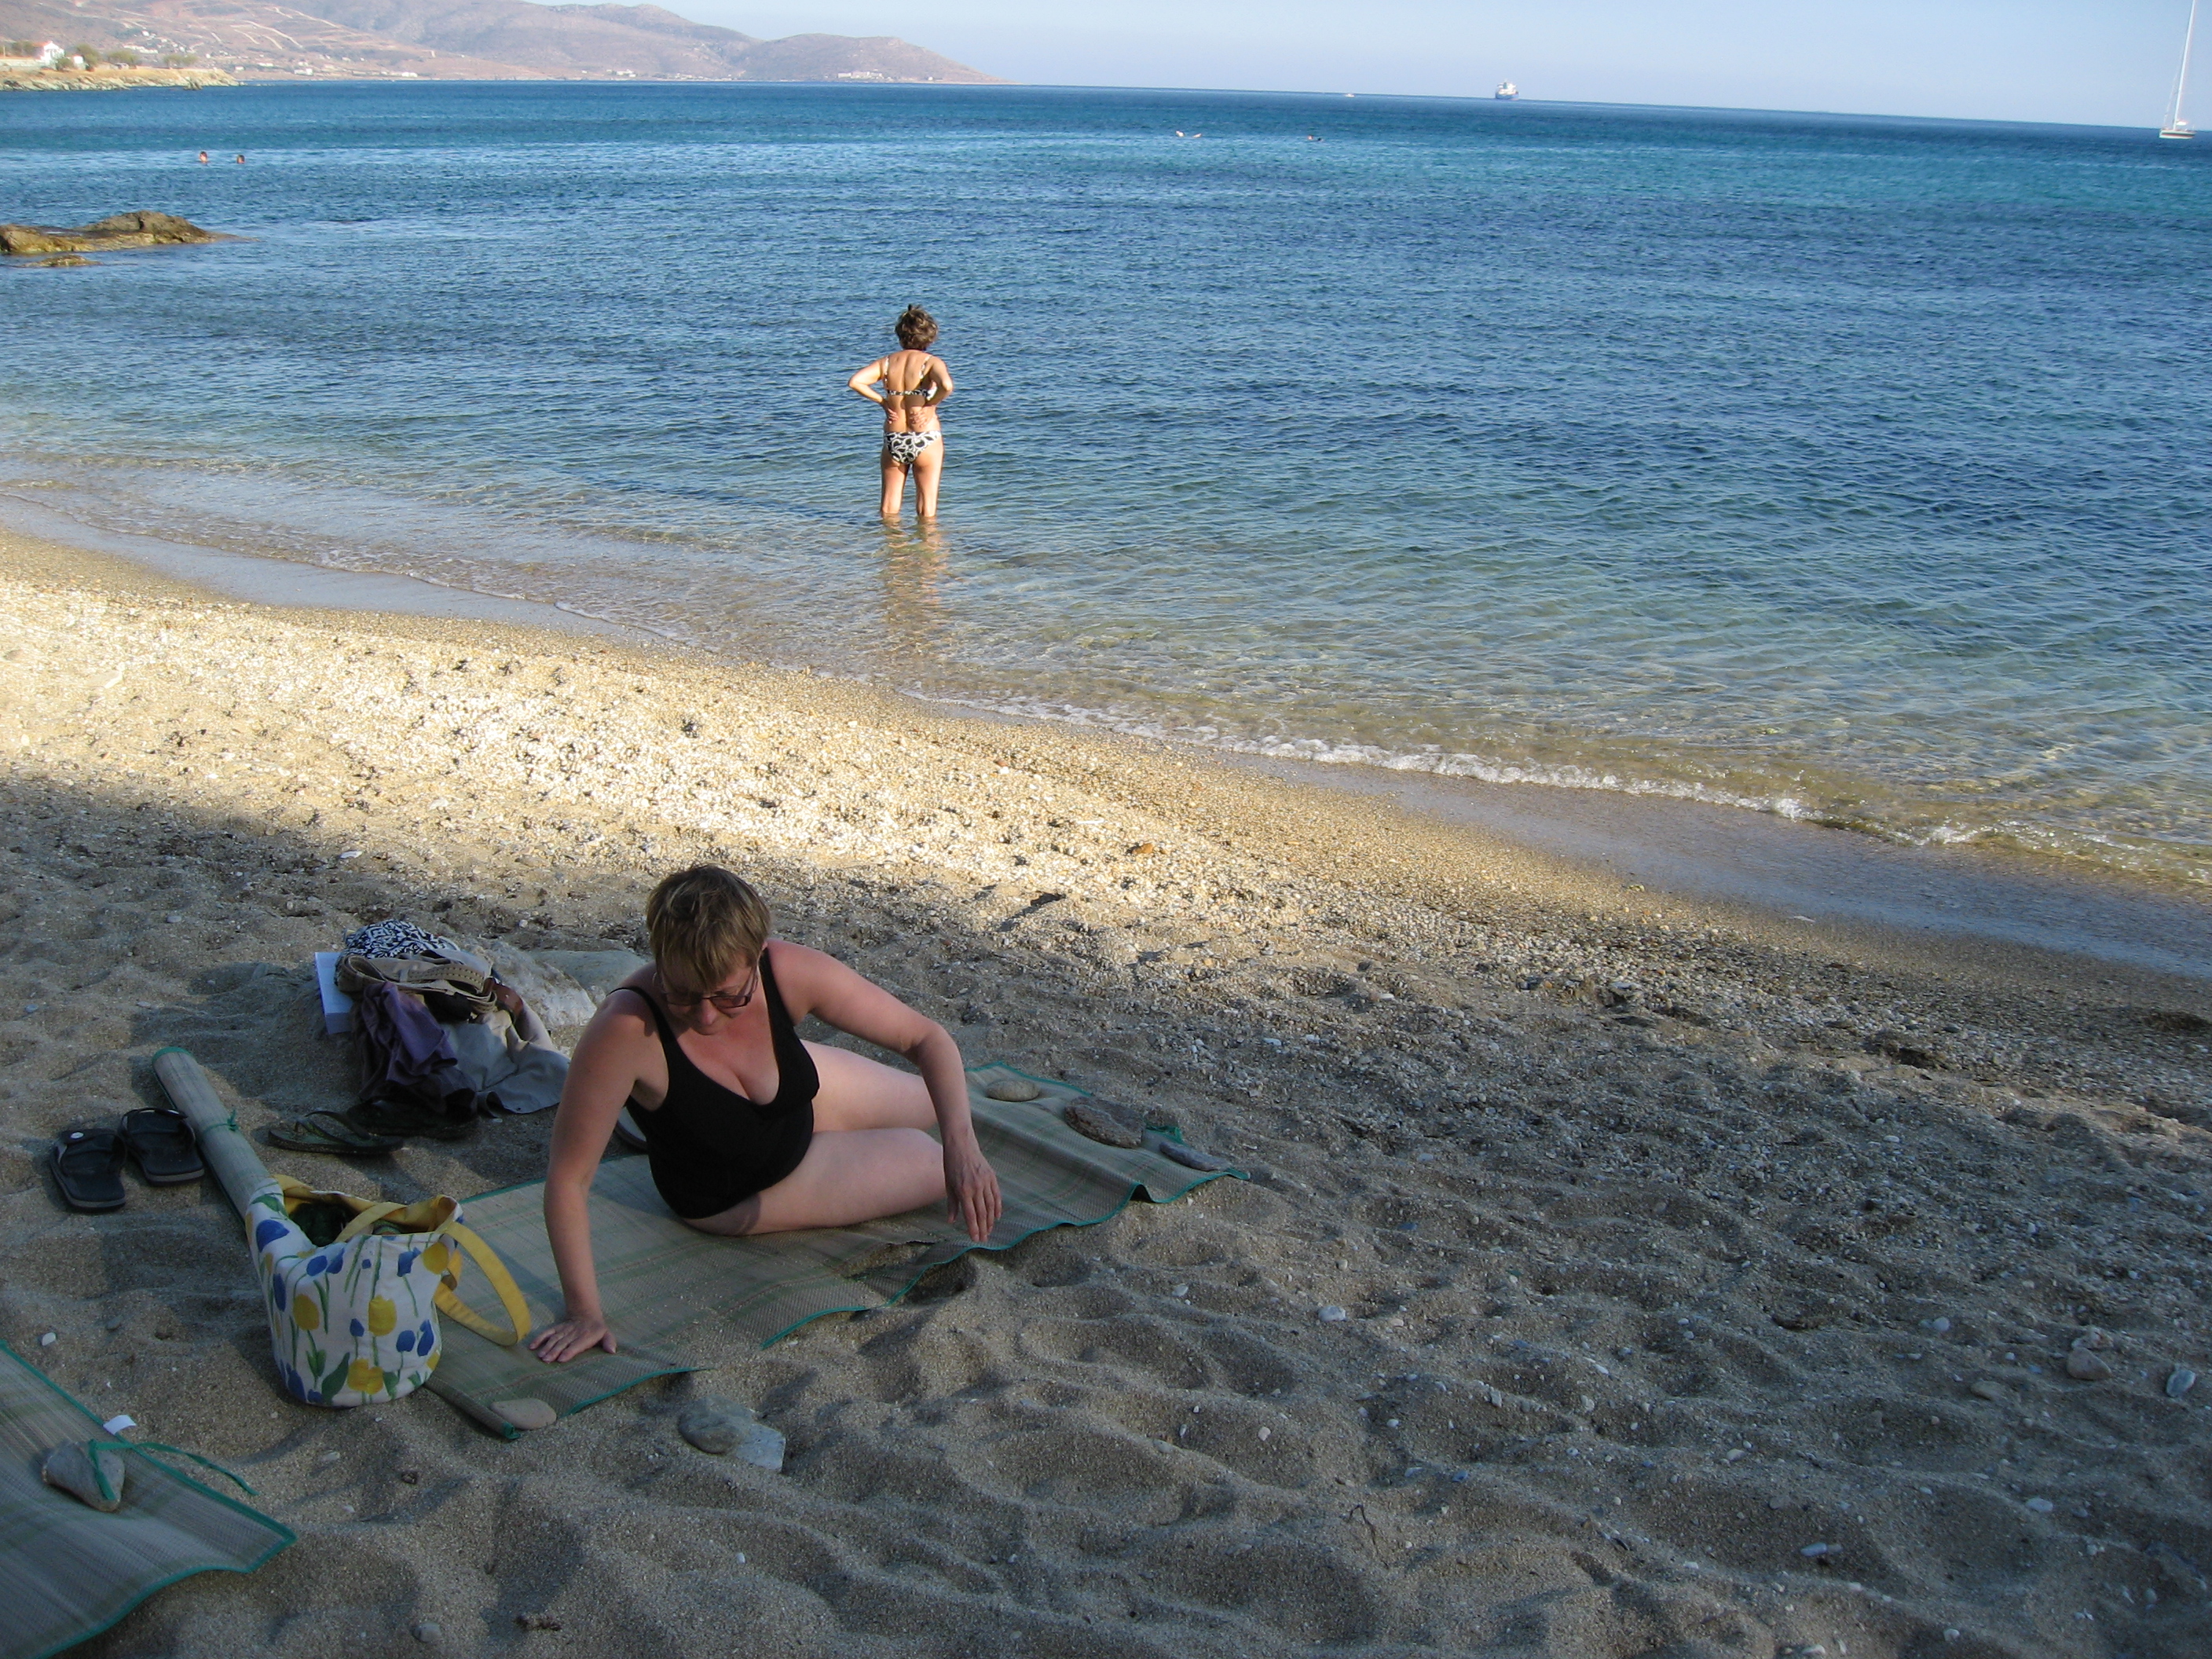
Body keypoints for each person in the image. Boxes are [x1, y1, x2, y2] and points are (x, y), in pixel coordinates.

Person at [527, 865, 1004, 1363]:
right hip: (740, 1184)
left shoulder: (786, 970)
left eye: (728, 996)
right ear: (661, 960)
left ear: (758, 955)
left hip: (795, 1103)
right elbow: (568, 1180)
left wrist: (964, 1147)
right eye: (683, 994)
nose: (706, 1016)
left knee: (939, 1103)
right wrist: (583, 1312)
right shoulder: (624, 1030)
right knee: (929, 1160)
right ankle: (650, 1110)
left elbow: (925, 1038)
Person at [846, 305, 954, 519]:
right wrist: (930, 405)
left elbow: (856, 382)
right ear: (930, 335)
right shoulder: (931, 362)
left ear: (901, 334)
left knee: (888, 508)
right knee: (927, 510)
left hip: (894, 437)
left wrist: (883, 402)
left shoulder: (886, 362)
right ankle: (926, 541)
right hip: (925, 436)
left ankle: (889, 541)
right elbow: (947, 386)